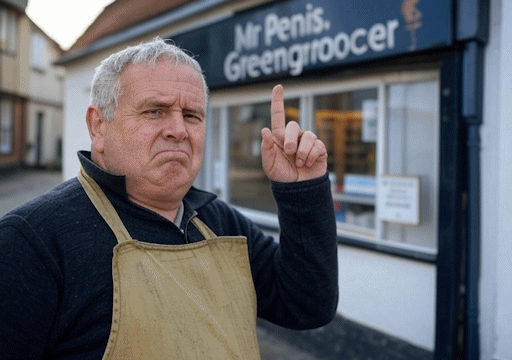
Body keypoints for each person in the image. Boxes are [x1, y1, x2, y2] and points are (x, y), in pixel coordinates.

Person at [0, 37, 338, 359]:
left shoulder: (219, 223)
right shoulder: (30, 243)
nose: (178, 129)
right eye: (154, 111)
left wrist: (301, 192)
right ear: (99, 126)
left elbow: (307, 305)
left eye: (192, 115)